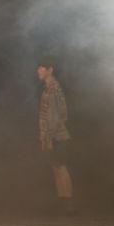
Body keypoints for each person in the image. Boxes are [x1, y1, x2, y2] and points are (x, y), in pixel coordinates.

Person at [37, 61, 74, 213]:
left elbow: (56, 115)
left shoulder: (53, 88)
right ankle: (62, 203)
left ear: (50, 70)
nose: (38, 71)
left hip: (56, 136)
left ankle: (67, 204)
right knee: (56, 169)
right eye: (37, 68)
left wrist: (49, 137)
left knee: (61, 168)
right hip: (52, 135)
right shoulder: (49, 87)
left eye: (41, 68)